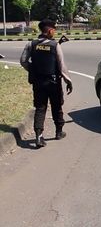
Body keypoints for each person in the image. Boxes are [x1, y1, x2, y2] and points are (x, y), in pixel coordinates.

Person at [20, 19, 73, 148]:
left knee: (40, 108)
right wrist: (68, 80)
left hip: (38, 83)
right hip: (53, 83)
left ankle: (38, 136)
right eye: (54, 30)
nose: (54, 33)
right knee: (56, 106)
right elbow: (61, 66)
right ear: (50, 31)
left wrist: (33, 69)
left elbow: (23, 61)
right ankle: (59, 132)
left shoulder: (31, 44)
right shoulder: (55, 45)